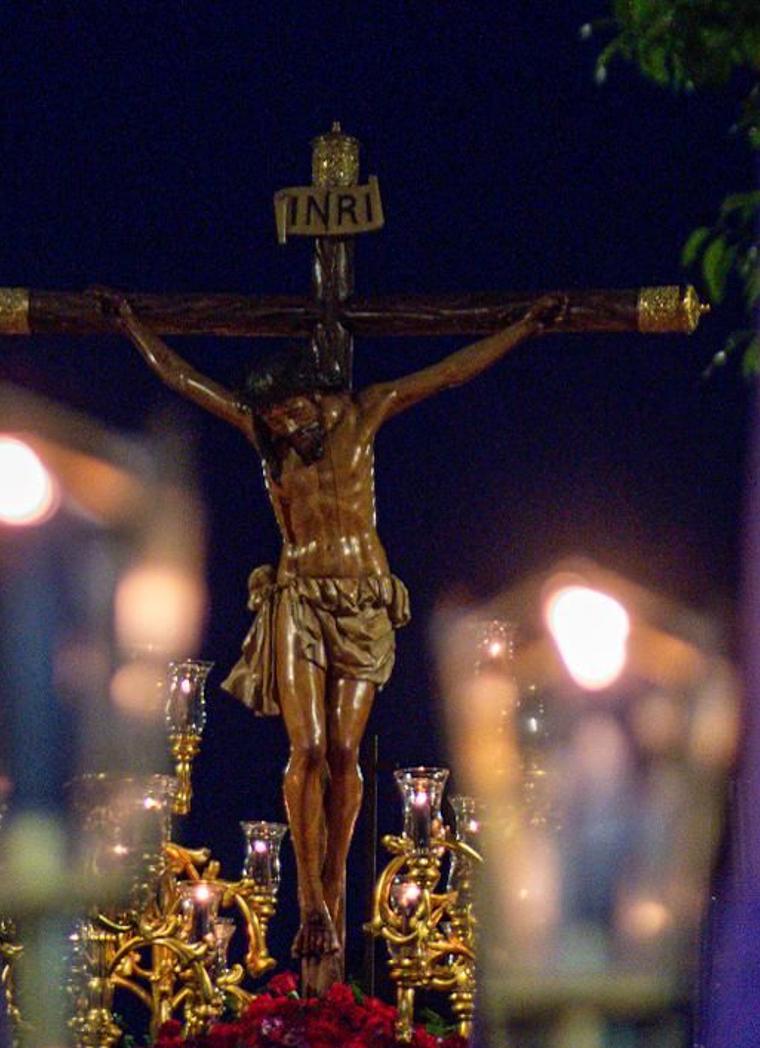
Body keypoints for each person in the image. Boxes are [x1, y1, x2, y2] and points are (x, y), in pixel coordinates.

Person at [93, 285, 566, 990]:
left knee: (345, 752)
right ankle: (311, 899)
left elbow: (449, 372)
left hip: (364, 600)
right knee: (307, 747)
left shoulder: (363, 415)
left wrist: (522, 328)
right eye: (275, 419)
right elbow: (185, 380)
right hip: (298, 599)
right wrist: (132, 325)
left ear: (315, 397)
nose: (286, 427)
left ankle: (336, 888)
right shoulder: (267, 440)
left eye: (293, 413)